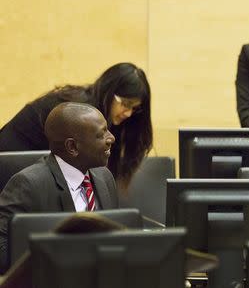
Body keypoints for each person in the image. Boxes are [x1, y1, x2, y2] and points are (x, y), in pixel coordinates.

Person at [0, 102, 118, 273]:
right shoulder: (28, 184)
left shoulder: (104, 176)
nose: (111, 138)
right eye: (101, 134)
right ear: (72, 147)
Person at [0, 62, 152, 189]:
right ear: (109, 91)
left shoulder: (95, 112)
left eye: (135, 108)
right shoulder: (83, 114)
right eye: (126, 104)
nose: (129, 113)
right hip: (10, 162)